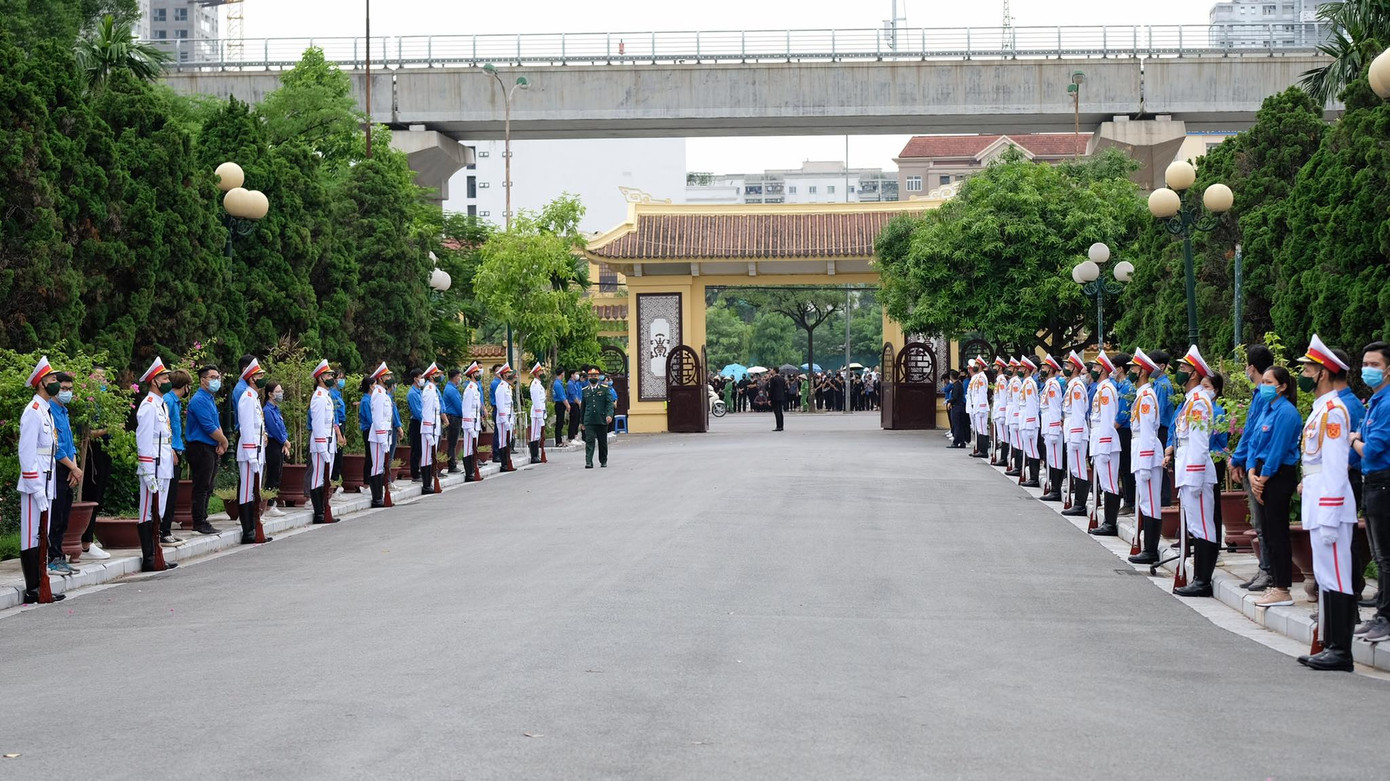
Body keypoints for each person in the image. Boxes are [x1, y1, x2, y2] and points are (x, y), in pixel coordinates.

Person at [1294, 336, 1359, 671]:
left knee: (1337, 576)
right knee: (1325, 573)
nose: (1303, 373)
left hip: (1330, 504)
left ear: (1323, 373)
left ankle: (1340, 650)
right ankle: (1330, 644)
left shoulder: (1334, 412)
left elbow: (1336, 465)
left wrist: (1331, 513)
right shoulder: (1321, 410)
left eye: (1308, 368)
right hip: (1318, 500)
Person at [1167, 346, 1219, 596]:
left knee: (1203, 527)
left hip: (1195, 470)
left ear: (1195, 374)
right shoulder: (1192, 401)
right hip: (1187, 468)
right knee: (1197, 526)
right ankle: (1199, 577)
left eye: (1184, 369)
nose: (1179, 372)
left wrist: (1195, 476)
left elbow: (1199, 443)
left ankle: (1203, 580)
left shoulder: (1199, 402)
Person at [1249, 365, 1302, 609]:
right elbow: (1254, 441)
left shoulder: (1286, 413)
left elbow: (1278, 449)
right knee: (1268, 533)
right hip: (1261, 474)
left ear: (1281, 386)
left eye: (1269, 382)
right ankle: (1275, 584)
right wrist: (1252, 472)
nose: (1264, 386)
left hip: (1278, 476)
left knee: (1278, 533)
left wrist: (1263, 478)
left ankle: (1282, 587)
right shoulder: (1267, 410)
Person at [1228, 344, 1276, 592]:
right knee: (1260, 523)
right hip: (1251, 464)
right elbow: (1250, 433)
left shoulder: (1267, 397)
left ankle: (1268, 571)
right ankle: (1264, 568)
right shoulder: (1259, 395)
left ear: (1252, 368)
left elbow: (1253, 434)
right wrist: (1241, 461)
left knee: (1264, 523)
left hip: (1260, 466)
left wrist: (1240, 460)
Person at [1351, 341, 1390, 643]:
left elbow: (1373, 450)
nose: (1367, 370)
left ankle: (1385, 617)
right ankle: (1381, 612)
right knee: (1379, 553)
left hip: (1383, 481)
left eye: (1374, 365)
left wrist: (1353, 440)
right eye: (1365, 364)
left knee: (1385, 556)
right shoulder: (1376, 401)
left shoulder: (1387, 403)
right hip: (1373, 482)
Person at [18, 357, 65, 603]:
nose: (56, 384)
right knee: (30, 535)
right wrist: (35, 487)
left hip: (46, 483)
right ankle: (33, 587)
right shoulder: (33, 412)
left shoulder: (46, 412)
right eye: (52, 380)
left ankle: (41, 582)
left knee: (41, 534)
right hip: (34, 484)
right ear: (40, 384)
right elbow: (26, 453)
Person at [134, 358, 178, 573]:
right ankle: (149, 556)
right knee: (147, 512)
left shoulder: (161, 405)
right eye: (164, 378)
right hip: (153, 466)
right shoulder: (148, 406)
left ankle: (156, 552)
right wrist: (147, 470)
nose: (168, 381)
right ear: (154, 382)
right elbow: (143, 440)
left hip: (164, 465)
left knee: (158, 511)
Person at [1128, 350, 1165, 565]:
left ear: (1142, 371)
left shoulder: (1147, 397)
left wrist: (1145, 460)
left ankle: (1151, 549)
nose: (1131, 371)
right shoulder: (1143, 395)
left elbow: (1149, 431)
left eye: (1134, 368)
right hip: (1141, 450)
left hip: (1147, 454)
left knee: (1151, 503)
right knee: (1146, 501)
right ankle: (1148, 547)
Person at [184, 365, 226, 536]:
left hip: (210, 446)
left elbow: (216, 423)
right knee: (201, 486)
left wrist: (222, 442)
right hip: (200, 447)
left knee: (208, 486)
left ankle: (204, 519)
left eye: (218, 377)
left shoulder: (209, 398)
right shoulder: (199, 399)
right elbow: (208, 426)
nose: (217, 380)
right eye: (213, 377)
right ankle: (198, 521)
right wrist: (223, 440)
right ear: (203, 380)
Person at [46, 372, 81, 575]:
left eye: (70, 389)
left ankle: (60, 555)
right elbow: (56, 447)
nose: (67, 392)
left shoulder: (64, 411)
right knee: (56, 515)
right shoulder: (49, 410)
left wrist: (75, 467)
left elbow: (70, 443)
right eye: (63, 389)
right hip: (58, 467)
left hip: (69, 467)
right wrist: (73, 468)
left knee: (64, 515)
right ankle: (53, 556)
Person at [79, 365, 113, 560]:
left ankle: (87, 539)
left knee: (98, 495)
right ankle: (85, 541)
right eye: (98, 378)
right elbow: (86, 433)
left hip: (105, 450)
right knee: (91, 495)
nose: (102, 382)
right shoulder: (87, 404)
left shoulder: (105, 403)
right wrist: (108, 429)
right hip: (91, 452)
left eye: (104, 378)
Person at [235, 359, 271, 544]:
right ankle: (248, 530)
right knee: (247, 492)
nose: (262, 378)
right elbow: (247, 428)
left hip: (257, 450)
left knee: (254, 490)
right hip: (250, 451)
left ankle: (253, 527)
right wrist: (251, 456)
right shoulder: (247, 399)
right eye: (259, 376)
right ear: (251, 379)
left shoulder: (254, 398)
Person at [1088, 352, 1123, 536]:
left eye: (1095, 367)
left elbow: (1108, 419)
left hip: (1106, 441)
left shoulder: (1107, 390)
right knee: (1105, 482)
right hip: (1099, 439)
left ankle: (1110, 523)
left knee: (1110, 484)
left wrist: (1104, 444)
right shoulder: (1101, 388)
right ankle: (1107, 521)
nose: (1092, 370)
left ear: (1103, 369)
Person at [159, 369, 192, 544]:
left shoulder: (174, 401)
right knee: (168, 493)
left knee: (172, 493)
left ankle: (166, 529)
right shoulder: (169, 401)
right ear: (185, 386)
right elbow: (166, 428)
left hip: (176, 449)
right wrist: (171, 449)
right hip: (170, 452)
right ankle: (163, 530)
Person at [308, 360, 341, 523]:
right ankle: (319, 512)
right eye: (328, 375)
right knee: (318, 477)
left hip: (329, 442)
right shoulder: (319, 398)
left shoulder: (326, 396)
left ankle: (323, 509)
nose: (331, 378)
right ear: (320, 378)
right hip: (322, 443)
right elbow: (318, 425)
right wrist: (322, 448)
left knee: (324, 477)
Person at [1111, 352, 1137, 516]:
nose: (1112, 370)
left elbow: (1123, 413)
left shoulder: (1128, 387)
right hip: (1118, 429)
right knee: (1121, 466)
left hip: (1124, 431)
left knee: (1126, 466)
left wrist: (1112, 427)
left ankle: (1130, 501)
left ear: (1120, 368)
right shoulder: (1119, 385)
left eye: (1114, 367)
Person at [367, 363, 395, 508]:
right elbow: (378, 419)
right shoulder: (378, 394)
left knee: (380, 466)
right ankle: (377, 498)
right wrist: (383, 439)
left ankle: (380, 496)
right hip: (379, 437)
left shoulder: (383, 393)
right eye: (387, 376)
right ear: (380, 378)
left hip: (384, 435)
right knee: (377, 466)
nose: (390, 378)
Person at [1038, 355, 1066, 500]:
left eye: (1044, 367)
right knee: (1051, 456)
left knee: (1055, 458)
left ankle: (1055, 489)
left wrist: (1054, 429)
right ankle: (1053, 487)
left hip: (1052, 425)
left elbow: (1055, 408)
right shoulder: (1049, 384)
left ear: (1050, 369)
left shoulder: (1053, 385)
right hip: (1048, 423)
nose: (1042, 369)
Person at [262, 381, 289, 517]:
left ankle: (272, 502)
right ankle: (269, 504)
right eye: (278, 391)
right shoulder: (267, 410)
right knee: (272, 475)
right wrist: (284, 440)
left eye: (281, 391)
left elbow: (282, 428)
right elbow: (274, 429)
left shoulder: (276, 409)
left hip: (279, 444)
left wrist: (285, 441)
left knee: (277, 474)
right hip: (273, 444)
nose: (281, 394)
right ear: (270, 394)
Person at [582, 367, 615, 468]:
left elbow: (609, 403)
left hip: (601, 419)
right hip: (589, 420)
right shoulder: (585, 391)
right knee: (589, 441)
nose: (593, 377)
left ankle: (603, 460)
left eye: (595, 375)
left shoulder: (604, 389)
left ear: (598, 377)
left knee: (602, 442)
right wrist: (582, 422)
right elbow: (583, 408)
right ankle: (588, 461)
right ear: (588, 377)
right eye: (591, 376)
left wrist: (609, 415)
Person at [420, 362, 444, 492]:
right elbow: (427, 412)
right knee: (427, 457)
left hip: (434, 428)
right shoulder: (429, 390)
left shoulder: (433, 389)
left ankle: (430, 482)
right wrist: (428, 432)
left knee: (431, 456)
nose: (439, 376)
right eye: (436, 374)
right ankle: (427, 484)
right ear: (430, 377)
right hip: (429, 429)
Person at [1018, 357, 1041, 486]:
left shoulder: (1029, 384)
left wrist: (1031, 423)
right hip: (1025, 420)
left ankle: (1034, 478)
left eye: (1021, 368)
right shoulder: (1026, 383)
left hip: (1029, 422)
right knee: (1029, 449)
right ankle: (1032, 477)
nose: (1019, 370)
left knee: (1032, 450)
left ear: (1027, 369)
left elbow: (1032, 405)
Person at [461, 362, 484, 481]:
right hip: (470, 424)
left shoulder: (475, 388)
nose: (479, 374)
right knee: (469, 448)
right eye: (476, 373)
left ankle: (473, 471)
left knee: (473, 447)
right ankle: (469, 473)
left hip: (475, 423)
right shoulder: (469, 389)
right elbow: (466, 409)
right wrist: (469, 427)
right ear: (472, 375)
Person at [495, 363, 518, 472]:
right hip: (503, 419)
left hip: (509, 417)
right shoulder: (501, 388)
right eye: (508, 373)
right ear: (504, 375)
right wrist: (505, 420)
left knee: (507, 440)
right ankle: (504, 464)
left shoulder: (507, 387)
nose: (510, 374)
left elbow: (510, 405)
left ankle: (507, 461)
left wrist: (511, 419)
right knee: (503, 441)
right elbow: (500, 406)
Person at [443, 368, 465, 473]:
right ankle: (452, 465)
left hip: (454, 417)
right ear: (455, 377)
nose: (460, 379)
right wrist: (464, 416)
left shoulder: (452, 388)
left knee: (453, 442)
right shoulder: (451, 389)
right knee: (452, 443)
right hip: (454, 418)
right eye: (459, 377)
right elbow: (458, 406)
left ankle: (452, 464)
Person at [406, 368, 424, 482]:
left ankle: (420, 471)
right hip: (417, 422)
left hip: (422, 422)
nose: (422, 379)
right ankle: (415, 474)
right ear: (415, 379)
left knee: (421, 449)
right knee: (416, 449)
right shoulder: (412, 393)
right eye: (420, 377)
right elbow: (417, 411)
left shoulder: (420, 391)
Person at [528, 363, 548, 463]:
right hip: (536, 413)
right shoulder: (535, 385)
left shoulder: (539, 384)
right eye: (541, 371)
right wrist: (540, 415)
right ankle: (534, 456)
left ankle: (537, 455)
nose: (542, 373)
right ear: (536, 373)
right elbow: (536, 401)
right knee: (534, 435)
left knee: (537, 434)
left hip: (540, 412)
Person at [990, 357, 1009, 466]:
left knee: (1004, 436)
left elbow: (1003, 398)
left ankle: (1003, 458)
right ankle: (1002, 457)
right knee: (1001, 436)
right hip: (997, 410)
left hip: (1000, 411)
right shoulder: (999, 379)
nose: (993, 368)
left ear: (1000, 367)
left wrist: (1002, 413)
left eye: (995, 366)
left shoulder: (1002, 380)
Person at [551, 367, 570, 448]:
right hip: (559, 404)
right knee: (559, 423)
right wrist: (568, 405)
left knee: (561, 423)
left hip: (560, 404)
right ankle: (558, 441)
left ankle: (560, 440)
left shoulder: (558, 383)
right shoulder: (558, 384)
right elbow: (562, 397)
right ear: (562, 373)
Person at [567, 369, 584, 442]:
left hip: (576, 404)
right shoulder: (570, 384)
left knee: (577, 420)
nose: (577, 375)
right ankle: (571, 437)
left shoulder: (574, 383)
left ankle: (575, 435)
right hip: (573, 404)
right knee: (573, 420)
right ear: (572, 375)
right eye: (575, 374)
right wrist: (579, 403)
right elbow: (573, 396)